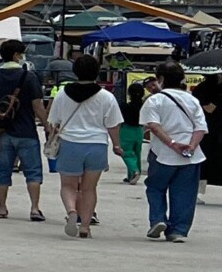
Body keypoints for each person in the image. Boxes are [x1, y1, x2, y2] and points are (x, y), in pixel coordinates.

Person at [45, 54, 123, 238]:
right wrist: (117, 145)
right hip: (96, 144)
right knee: (89, 188)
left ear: (75, 72)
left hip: (70, 143)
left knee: (68, 185)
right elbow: (113, 124)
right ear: (97, 72)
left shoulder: (63, 94)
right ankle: (85, 226)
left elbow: (52, 122)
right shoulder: (106, 96)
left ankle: (72, 211)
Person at [0, 39, 47, 221]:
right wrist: (47, 126)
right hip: (27, 131)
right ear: (16, 55)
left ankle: (2, 208)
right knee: (33, 171)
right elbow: (37, 106)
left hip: (1, 131)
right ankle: (34, 208)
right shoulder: (29, 76)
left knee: (2, 170)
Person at [139, 62, 206, 241]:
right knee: (185, 193)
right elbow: (200, 128)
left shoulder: (155, 100)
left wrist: (172, 143)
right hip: (190, 155)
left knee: (155, 187)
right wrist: (191, 145)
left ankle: (158, 219)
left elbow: (153, 126)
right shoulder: (192, 100)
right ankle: (178, 230)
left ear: (160, 79)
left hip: (162, 153)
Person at [118, 77, 148, 184]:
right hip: (139, 130)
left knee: (127, 153)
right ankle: (132, 175)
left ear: (129, 94)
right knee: (137, 153)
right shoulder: (145, 106)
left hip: (127, 130)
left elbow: (119, 119)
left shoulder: (125, 106)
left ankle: (134, 171)